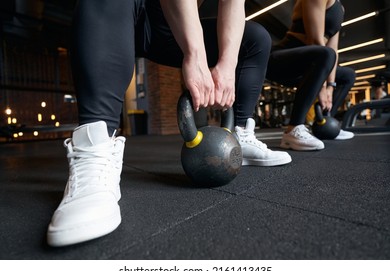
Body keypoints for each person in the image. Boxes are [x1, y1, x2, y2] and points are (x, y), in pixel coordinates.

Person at [46, 0, 292, 247]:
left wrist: (227, 67)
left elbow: (233, 4)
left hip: (169, 27)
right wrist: (195, 55)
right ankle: (95, 150)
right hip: (123, 9)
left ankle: (240, 135)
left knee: (256, 37)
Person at [266, 0, 355, 151]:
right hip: (280, 60)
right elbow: (314, 40)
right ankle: (293, 129)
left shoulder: (339, 7)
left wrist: (330, 87)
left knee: (348, 75)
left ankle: (325, 125)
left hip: (314, 61)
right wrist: (322, 86)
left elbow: (333, 48)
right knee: (324, 54)